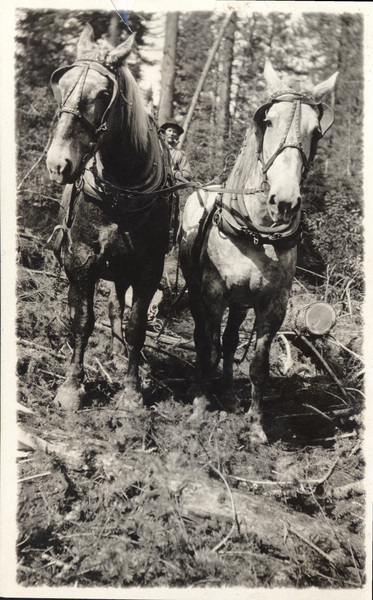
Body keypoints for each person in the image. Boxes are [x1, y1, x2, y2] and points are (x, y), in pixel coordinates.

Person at [159, 118, 192, 247]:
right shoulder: (156, 149)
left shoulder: (180, 154)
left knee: (171, 218)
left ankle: (169, 244)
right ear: (164, 133)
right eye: (170, 130)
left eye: (175, 132)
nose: (172, 134)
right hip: (152, 187)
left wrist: (175, 173)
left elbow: (188, 175)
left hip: (169, 191)